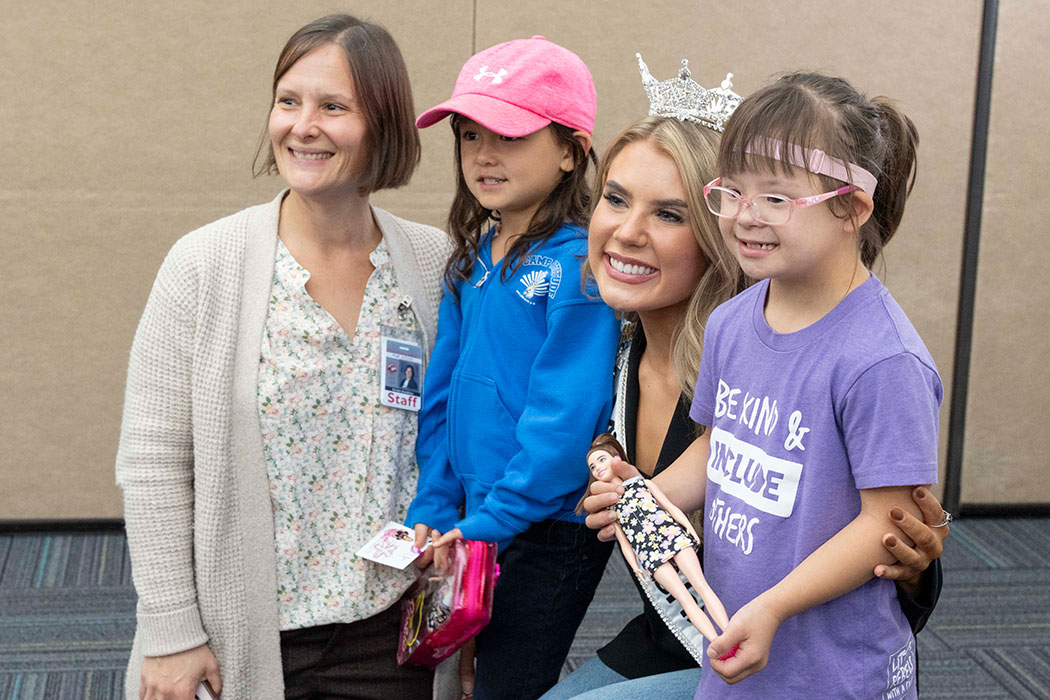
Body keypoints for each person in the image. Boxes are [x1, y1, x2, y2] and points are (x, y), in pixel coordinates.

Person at [558, 59, 948, 700]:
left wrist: (775, 606)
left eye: (775, 197)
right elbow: (721, 444)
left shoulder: (883, 361)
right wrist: (648, 497)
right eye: (732, 191)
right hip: (737, 648)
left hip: (832, 667)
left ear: (851, 207)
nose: (743, 216)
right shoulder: (733, 322)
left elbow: (891, 520)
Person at [115, 15, 450, 700]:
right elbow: (151, 465)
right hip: (240, 638)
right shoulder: (204, 267)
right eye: (288, 101)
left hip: (392, 637)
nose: (304, 125)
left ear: (382, 124)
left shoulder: (433, 266)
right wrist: (171, 633)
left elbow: (460, 444)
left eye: (334, 107)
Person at [405, 36, 620, 700]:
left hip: (546, 527)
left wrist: (488, 522)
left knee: (509, 684)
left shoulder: (579, 267)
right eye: (470, 136)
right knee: (470, 673)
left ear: (570, 150)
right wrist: (437, 504)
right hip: (480, 515)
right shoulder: (472, 256)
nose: (484, 154)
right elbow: (440, 397)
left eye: (510, 135)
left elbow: (563, 417)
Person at [584, 434, 729, 642]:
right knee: (684, 599)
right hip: (648, 553)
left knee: (702, 587)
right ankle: (718, 643)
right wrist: (636, 567)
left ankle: (728, 632)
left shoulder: (640, 483)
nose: (597, 467)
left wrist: (687, 528)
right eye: (592, 466)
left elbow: (670, 508)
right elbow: (625, 544)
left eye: (601, 459)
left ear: (615, 457)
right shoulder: (611, 507)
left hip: (671, 534)